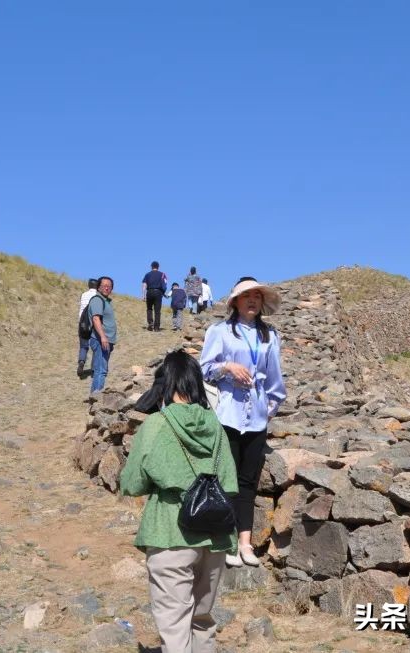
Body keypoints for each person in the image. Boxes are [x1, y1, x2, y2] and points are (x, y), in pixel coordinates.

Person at [120, 351, 238, 653]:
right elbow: (229, 483)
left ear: (166, 383)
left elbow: (132, 484)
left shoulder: (157, 425)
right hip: (216, 537)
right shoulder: (217, 427)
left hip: (170, 533)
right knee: (202, 620)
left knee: (174, 626)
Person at [199, 277, 286, 567]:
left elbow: (275, 380)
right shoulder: (220, 332)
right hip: (228, 415)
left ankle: (245, 543)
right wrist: (227, 367)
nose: (252, 300)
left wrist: (268, 409)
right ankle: (226, 540)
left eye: (257, 296)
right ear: (235, 301)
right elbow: (205, 369)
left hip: (257, 419)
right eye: (246, 295)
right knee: (226, 479)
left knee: (248, 481)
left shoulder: (269, 336)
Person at [87, 276, 116, 393]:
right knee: (101, 370)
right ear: (98, 287)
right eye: (104, 285)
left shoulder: (104, 301)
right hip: (100, 340)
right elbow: (95, 319)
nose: (106, 288)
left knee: (101, 369)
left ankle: (95, 397)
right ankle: (96, 399)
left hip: (105, 341)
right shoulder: (97, 300)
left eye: (109, 286)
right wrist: (103, 337)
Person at [77, 278, 99, 378]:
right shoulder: (98, 296)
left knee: (83, 346)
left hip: (82, 323)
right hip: (94, 324)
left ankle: (81, 362)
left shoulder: (83, 295)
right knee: (95, 347)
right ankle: (93, 369)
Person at [142, 261, 168, 331]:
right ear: (158, 267)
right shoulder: (162, 274)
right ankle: (156, 327)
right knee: (157, 310)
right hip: (158, 292)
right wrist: (163, 292)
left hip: (149, 292)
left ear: (151, 267)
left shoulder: (147, 275)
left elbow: (144, 285)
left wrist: (143, 295)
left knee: (149, 308)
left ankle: (150, 323)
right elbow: (165, 285)